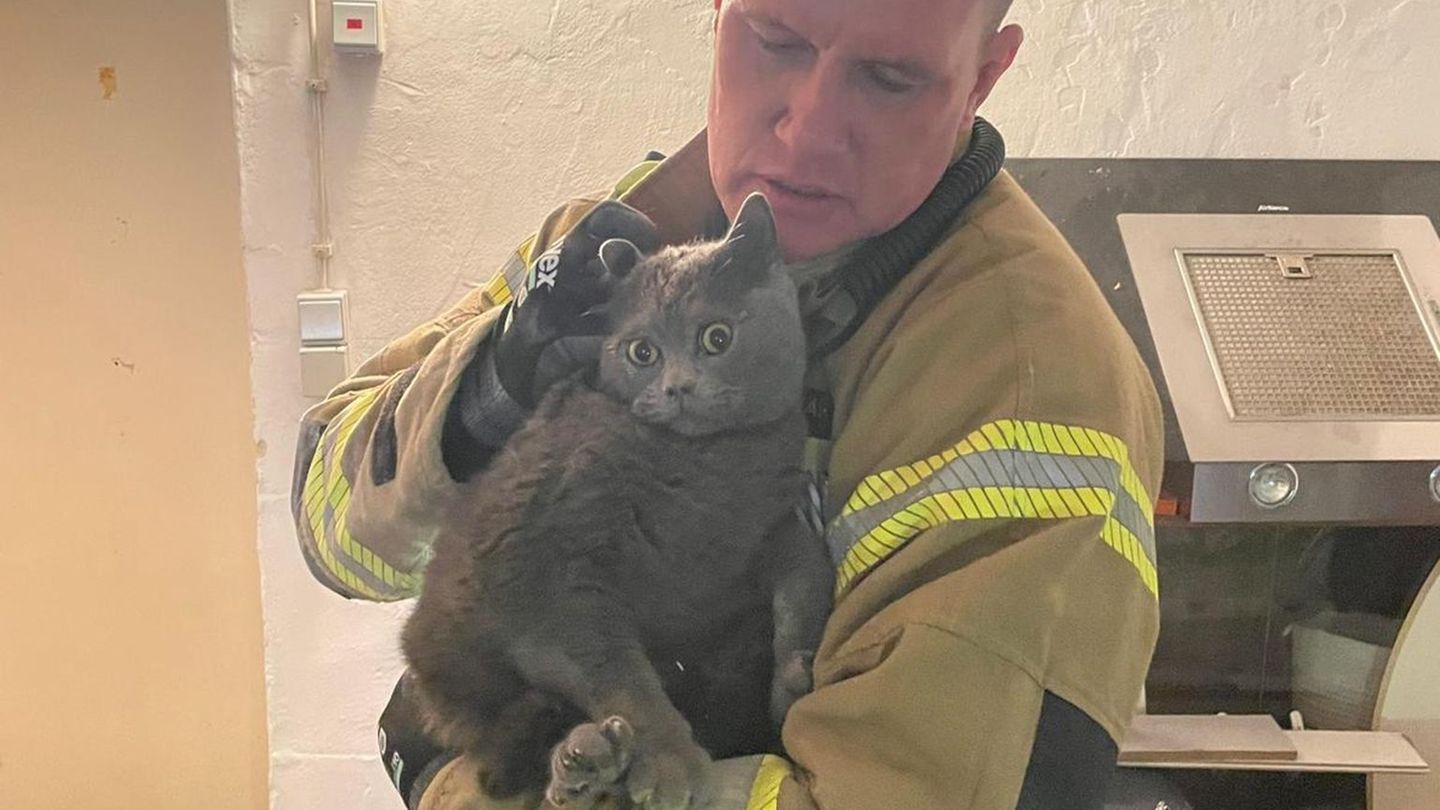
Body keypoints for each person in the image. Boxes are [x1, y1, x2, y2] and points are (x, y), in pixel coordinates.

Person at [290, 0, 1165, 808]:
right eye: (776, 40)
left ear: (982, 75)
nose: (809, 128)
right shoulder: (630, 236)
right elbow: (332, 523)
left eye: (889, 78)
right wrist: (483, 392)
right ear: (716, 13)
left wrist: (470, 787)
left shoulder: (1023, 376)